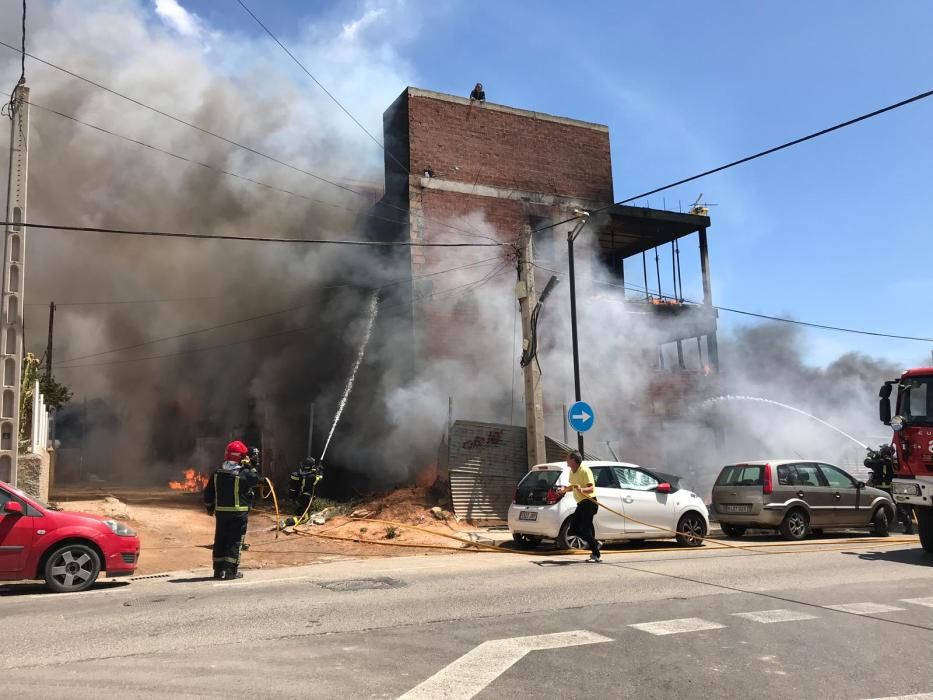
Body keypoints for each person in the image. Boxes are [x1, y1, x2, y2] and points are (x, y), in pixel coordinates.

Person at [203, 440, 260, 580]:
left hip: (221, 513)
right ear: (241, 457)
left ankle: (218, 570)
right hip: (238, 513)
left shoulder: (217, 473)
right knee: (235, 541)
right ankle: (230, 571)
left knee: (220, 539)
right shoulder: (244, 473)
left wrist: (209, 507)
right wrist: (251, 466)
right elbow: (256, 479)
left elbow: (209, 492)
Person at [558, 451, 600, 562]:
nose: (566, 460)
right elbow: (573, 486)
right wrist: (563, 490)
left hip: (590, 502)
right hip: (581, 504)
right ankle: (595, 544)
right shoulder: (572, 472)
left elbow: (591, 488)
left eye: (568, 458)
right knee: (573, 530)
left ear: (573, 460)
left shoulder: (585, 471)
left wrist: (582, 489)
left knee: (585, 529)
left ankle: (596, 555)